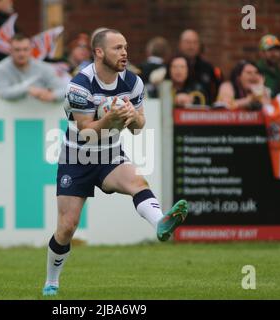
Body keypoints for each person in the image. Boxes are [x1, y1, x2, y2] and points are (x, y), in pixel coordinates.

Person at [42, 29, 188, 297]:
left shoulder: (133, 82)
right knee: (67, 227)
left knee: (138, 182)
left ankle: (160, 222)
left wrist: (133, 116)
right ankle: (52, 281)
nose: (124, 53)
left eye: (125, 47)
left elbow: (138, 127)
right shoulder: (79, 85)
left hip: (110, 153)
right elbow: (85, 132)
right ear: (99, 52)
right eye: (117, 48)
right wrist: (110, 119)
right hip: (77, 156)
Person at [0, 33, 66, 101]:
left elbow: (65, 90)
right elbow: (1, 94)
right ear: (10, 50)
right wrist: (27, 89)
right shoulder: (0, 68)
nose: (22, 54)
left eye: (25, 49)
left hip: (40, 113)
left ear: (31, 50)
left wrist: (53, 96)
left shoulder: (44, 68)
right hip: (7, 114)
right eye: (17, 50)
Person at [178, 29, 222, 103]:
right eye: (187, 42)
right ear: (180, 44)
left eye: (195, 43)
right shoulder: (171, 65)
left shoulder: (208, 68)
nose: (191, 46)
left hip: (204, 111)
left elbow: (217, 89)